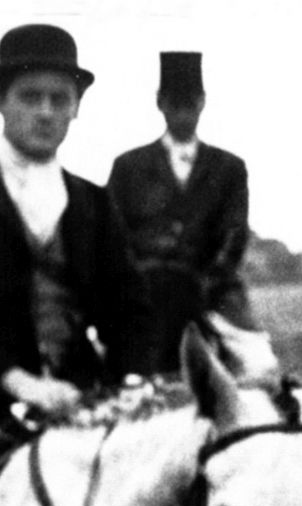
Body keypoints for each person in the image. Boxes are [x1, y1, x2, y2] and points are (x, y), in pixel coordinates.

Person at [0, 24, 154, 421]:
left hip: (79, 396)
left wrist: (133, 379)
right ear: (1, 100)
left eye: (60, 99)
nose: (46, 112)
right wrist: (16, 380)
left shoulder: (93, 202)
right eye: (30, 97)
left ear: (76, 108)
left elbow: (128, 307)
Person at [107, 51, 257, 374]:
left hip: (213, 293)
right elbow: (113, 235)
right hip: (143, 293)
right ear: (160, 103)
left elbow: (235, 234)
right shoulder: (128, 166)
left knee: (258, 367)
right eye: (175, 104)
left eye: (190, 104)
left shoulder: (229, 168)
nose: (183, 114)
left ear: (202, 102)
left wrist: (203, 283)